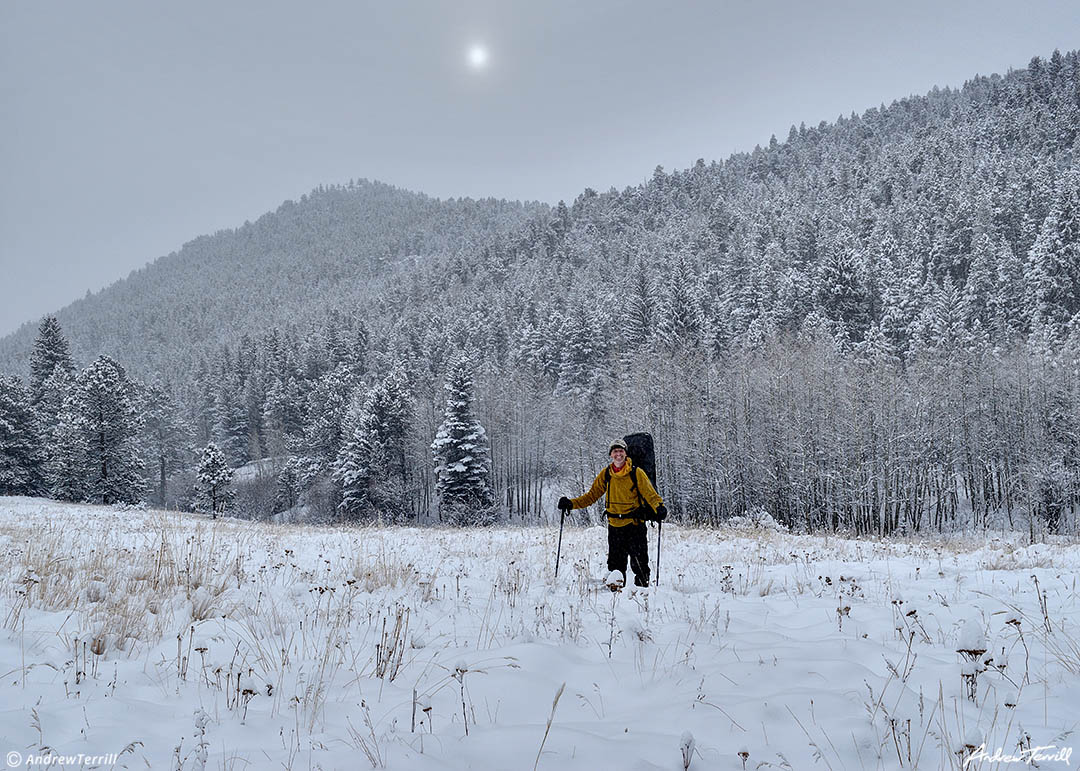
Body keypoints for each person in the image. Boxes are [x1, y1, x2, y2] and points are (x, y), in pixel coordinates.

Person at [558, 438, 666, 587]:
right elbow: (591, 496)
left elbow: (650, 494)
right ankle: (615, 602)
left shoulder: (636, 473)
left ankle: (642, 599)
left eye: (621, 451)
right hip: (615, 527)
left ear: (625, 454)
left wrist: (659, 507)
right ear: (611, 455)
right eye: (615, 451)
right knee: (615, 567)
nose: (618, 454)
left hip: (635, 525)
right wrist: (571, 504)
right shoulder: (606, 474)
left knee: (640, 566)